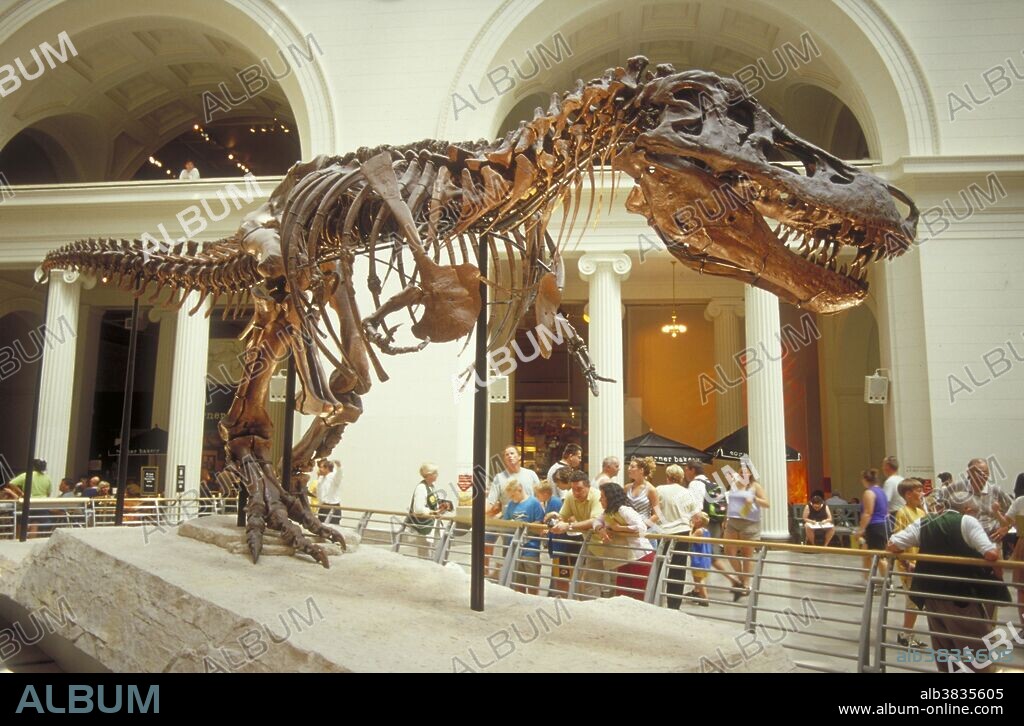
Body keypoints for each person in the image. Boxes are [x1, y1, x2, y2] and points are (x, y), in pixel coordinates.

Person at [887, 508, 1010, 672]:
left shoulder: (924, 523)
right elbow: (991, 554)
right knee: (975, 651)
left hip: (931, 595)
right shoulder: (967, 521)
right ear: (964, 509)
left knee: (944, 649)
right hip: (962, 597)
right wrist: (997, 554)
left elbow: (892, 544)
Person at [593, 482, 655, 600]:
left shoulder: (624, 510)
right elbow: (596, 521)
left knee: (639, 595)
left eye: (602, 497)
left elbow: (641, 527)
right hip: (624, 559)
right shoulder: (607, 513)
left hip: (640, 556)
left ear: (610, 498)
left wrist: (620, 529)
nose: (600, 500)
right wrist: (600, 529)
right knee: (622, 594)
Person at [547, 470, 603, 597]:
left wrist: (568, 526)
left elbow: (595, 521)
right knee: (589, 582)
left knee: (599, 583)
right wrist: (555, 520)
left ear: (588, 487)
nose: (576, 493)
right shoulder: (570, 496)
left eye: (579, 489)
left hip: (606, 545)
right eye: (573, 489)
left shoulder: (597, 496)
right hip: (590, 544)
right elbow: (563, 516)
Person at [486, 445, 539, 575]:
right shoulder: (499, 477)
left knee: (531, 563)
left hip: (530, 525)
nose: (509, 456)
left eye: (512, 453)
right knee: (511, 562)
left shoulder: (531, 474)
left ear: (519, 457)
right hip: (509, 526)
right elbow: (490, 502)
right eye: (506, 454)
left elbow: (540, 497)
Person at [651, 464, 699, 609]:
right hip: (683, 532)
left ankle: (655, 598)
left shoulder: (659, 489)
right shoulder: (687, 492)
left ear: (667, 476)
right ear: (681, 477)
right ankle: (674, 604)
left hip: (664, 532)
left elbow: (654, 510)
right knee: (678, 568)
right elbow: (696, 516)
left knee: (659, 566)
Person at [930, 458, 1013, 541]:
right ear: (970, 473)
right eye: (979, 473)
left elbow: (1014, 512)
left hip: (990, 540)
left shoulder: (996, 491)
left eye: (986, 473)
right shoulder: (956, 487)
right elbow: (936, 505)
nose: (983, 476)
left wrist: (1005, 528)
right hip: (961, 539)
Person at [722, 467, 769, 598]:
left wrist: (754, 499)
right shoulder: (734, 485)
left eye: (746, 472)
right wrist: (726, 518)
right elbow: (730, 502)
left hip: (750, 523)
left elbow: (766, 503)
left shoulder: (755, 486)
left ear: (750, 474)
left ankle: (746, 583)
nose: (743, 474)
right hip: (733, 521)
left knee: (747, 554)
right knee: (729, 552)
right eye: (741, 472)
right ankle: (742, 577)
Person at [892, 478, 928, 648]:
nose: (922, 494)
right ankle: (906, 634)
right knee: (912, 602)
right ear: (908, 494)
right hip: (910, 566)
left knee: (917, 602)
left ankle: (907, 633)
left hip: (922, 563)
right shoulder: (903, 512)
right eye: (918, 491)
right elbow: (897, 541)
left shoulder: (921, 513)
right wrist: (907, 565)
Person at [502, 480, 546, 594]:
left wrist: (525, 527)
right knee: (518, 583)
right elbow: (506, 522)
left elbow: (540, 522)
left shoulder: (534, 503)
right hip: (515, 548)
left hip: (530, 549)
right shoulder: (511, 504)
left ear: (519, 490)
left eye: (513, 495)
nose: (512, 498)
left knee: (532, 581)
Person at [405, 463, 453, 558]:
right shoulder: (421, 488)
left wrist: (444, 506)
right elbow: (418, 509)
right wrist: (433, 512)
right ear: (429, 474)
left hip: (432, 525)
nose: (437, 475)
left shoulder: (431, 487)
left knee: (434, 552)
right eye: (435, 473)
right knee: (424, 554)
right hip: (424, 526)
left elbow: (432, 503)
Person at [856, 469, 889, 583]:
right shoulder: (881, 491)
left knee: (879, 557)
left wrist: (861, 530)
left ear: (865, 479)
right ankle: (867, 580)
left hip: (874, 527)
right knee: (866, 553)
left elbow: (868, 513)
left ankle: (888, 584)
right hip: (881, 526)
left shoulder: (869, 492)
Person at [532, 480, 562, 593]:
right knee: (555, 568)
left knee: (558, 568)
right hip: (554, 539)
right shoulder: (549, 502)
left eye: (537, 494)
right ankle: (553, 591)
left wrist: (546, 529)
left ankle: (555, 592)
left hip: (558, 541)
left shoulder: (554, 502)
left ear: (545, 494)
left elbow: (557, 519)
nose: (536, 496)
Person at [624, 456, 658, 524]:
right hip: (627, 528)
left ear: (641, 470)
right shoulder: (626, 488)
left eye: (632, 467)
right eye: (629, 466)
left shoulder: (651, 490)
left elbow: (657, 515)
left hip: (643, 529)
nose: (629, 469)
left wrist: (642, 526)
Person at [689, 512, 713, 606]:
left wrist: (690, 528)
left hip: (699, 559)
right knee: (698, 578)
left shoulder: (698, 531)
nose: (692, 519)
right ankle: (697, 593)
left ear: (700, 521)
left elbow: (689, 538)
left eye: (695, 518)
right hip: (705, 557)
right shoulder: (706, 531)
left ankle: (705, 598)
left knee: (699, 579)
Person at [316, 459, 343, 525]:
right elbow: (319, 492)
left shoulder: (333, 477)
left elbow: (339, 476)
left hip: (333, 507)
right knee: (321, 527)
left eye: (321, 467)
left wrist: (339, 466)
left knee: (333, 528)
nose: (319, 469)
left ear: (327, 468)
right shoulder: (321, 478)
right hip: (323, 507)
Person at [881, 456, 904, 522]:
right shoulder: (902, 479)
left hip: (894, 515)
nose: (882, 468)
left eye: (883, 465)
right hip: (904, 513)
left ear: (887, 466)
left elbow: (885, 501)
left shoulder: (890, 482)